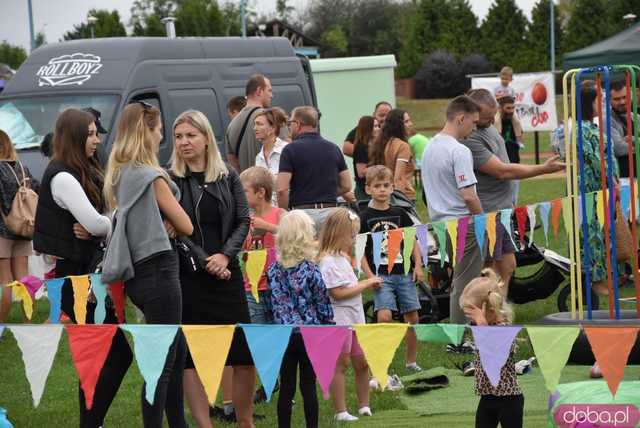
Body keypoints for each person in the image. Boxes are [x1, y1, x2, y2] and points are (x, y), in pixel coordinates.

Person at [32, 109, 132, 428]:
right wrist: (106, 222)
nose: (97, 140)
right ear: (75, 137)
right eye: (90, 134)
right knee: (110, 357)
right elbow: (98, 221)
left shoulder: (82, 170)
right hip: (77, 281)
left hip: (86, 277)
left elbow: (106, 216)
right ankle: (91, 423)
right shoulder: (63, 175)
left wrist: (105, 221)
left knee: (100, 359)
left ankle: (91, 422)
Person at [102, 102, 193, 428]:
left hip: (138, 276)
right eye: (160, 130)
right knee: (162, 365)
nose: (162, 136)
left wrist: (163, 219)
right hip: (160, 271)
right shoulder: (152, 177)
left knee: (175, 354)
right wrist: (171, 219)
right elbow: (187, 225)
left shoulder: (121, 174)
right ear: (148, 132)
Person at [168, 110, 256, 428]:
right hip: (190, 277)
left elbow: (244, 219)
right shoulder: (171, 181)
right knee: (192, 358)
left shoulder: (227, 175)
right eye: (178, 136)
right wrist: (207, 260)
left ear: (206, 138)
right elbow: (176, 230)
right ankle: (204, 424)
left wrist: (224, 256)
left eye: (190, 135)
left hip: (228, 274)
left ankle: (245, 420)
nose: (184, 142)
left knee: (243, 354)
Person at [459, 89, 564, 298]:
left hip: (502, 211)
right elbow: (502, 171)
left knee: (507, 265)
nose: (490, 122)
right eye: (486, 118)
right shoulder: (470, 139)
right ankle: (485, 315)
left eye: (492, 117)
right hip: (487, 212)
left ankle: (497, 311)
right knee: (489, 268)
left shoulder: (487, 127)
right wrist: (542, 169)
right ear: (472, 112)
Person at [267, 210, 334, 428]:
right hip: (310, 334)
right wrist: (328, 327)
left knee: (286, 386)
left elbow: (271, 303)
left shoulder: (273, 270)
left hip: (283, 335)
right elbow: (322, 302)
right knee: (308, 386)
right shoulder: (312, 270)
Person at [421, 95, 483, 324]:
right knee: (466, 282)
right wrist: (483, 220)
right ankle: (459, 337)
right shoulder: (459, 151)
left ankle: (462, 330)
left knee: (459, 279)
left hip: (439, 223)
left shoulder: (429, 146)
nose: (474, 128)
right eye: (473, 123)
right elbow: (469, 195)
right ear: (460, 118)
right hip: (462, 223)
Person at [318, 208, 381, 421]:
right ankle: (341, 411)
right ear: (337, 234)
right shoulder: (327, 261)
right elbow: (338, 293)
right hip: (340, 320)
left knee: (362, 363)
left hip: (356, 318)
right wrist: (365, 283)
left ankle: (364, 406)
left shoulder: (343, 258)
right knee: (341, 363)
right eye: (351, 235)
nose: (354, 239)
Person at [360, 165, 424, 372]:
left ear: (392, 187)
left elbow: (413, 240)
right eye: (377, 186)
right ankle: (381, 361)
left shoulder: (400, 213)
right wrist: (369, 276)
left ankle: (411, 362)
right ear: (368, 189)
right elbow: (359, 251)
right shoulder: (364, 217)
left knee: (412, 318)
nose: (382, 190)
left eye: (386, 185)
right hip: (381, 276)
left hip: (404, 273)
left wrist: (419, 266)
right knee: (384, 316)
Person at [460, 269, 523, 428]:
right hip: (488, 397)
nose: (472, 321)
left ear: (489, 310)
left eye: (472, 316)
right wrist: (479, 323)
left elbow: (494, 355)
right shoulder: (482, 326)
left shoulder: (505, 329)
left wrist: (481, 323)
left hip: (509, 399)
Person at [276, 106, 355, 231]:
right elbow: (347, 185)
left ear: (297, 124)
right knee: (329, 250)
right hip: (330, 213)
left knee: (303, 251)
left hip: (302, 215)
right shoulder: (333, 148)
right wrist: (324, 194)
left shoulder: (289, 150)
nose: (289, 127)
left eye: (290, 123)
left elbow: (281, 189)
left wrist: (285, 214)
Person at [576, 84, 620, 297]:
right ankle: (595, 278)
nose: (601, 104)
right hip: (592, 190)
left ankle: (608, 273)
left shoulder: (593, 127)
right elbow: (594, 159)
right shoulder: (582, 129)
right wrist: (610, 181)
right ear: (587, 103)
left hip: (604, 190)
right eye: (598, 100)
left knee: (605, 234)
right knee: (592, 235)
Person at [0, 130, 38, 323]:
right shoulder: (22, 168)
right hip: (24, 227)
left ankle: (1, 324)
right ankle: (28, 322)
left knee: (4, 280)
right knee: (24, 278)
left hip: (2, 231)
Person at [240, 166, 285, 322]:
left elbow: (292, 238)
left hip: (278, 285)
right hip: (252, 287)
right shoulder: (245, 218)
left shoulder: (280, 214)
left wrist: (267, 227)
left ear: (260, 192)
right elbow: (242, 250)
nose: (239, 195)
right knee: (257, 334)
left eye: (244, 191)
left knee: (281, 331)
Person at [225, 74, 273, 172]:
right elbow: (287, 155)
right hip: (270, 185)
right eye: (269, 90)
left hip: (248, 185)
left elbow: (233, 164)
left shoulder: (231, 125)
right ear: (259, 91)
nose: (271, 95)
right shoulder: (272, 118)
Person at [368, 109, 416, 201]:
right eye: (406, 121)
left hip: (383, 194)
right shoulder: (403, 146)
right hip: (401, 196)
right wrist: (400, 202)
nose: (410, 124)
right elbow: (399, 178)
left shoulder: (382, 143)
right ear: (398, 125)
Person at [254, 108, 288, 207]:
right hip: (267, 212)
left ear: (272, 128)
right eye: (255, 124)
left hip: (286, 211)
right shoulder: (258, 157)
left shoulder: (286, 150)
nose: (255, 128)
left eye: (259, 124)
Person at [494, 96, 523, 204]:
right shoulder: (493, 123)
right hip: (499, 166)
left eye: (513, 108)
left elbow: (520, 139)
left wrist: (516, 122)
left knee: (514, 198)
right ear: (500, 108)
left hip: (514, 163)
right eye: (508, 108)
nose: (511, 111)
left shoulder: (515, 122)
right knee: (501, 198)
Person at [609, 80, 639, 186]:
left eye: (625, 97)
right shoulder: (607, 120)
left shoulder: (636, 117)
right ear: (609, 100)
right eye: (617, 99)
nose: (622, 102)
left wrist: (634, 140)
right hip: (623, 180)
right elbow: (619, 149)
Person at [352, 116, 378, 201]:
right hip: (364, 192)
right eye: (375, 126)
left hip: (373, 188)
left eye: (378, 126)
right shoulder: (361, 147)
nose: (378, 129)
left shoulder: (375, 146)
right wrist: (381, 167)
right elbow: (361, 172)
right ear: (368, 129)